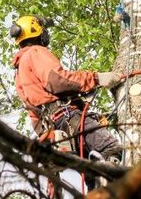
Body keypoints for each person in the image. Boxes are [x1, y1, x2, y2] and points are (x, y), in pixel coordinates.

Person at [10, 15, 123, 168]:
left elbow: (34, 116)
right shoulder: (36, 52)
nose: (45, 33)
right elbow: (58, 81)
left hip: (57, 130)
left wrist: (47, 135)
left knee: (91, 173)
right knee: (111, 148)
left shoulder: (19, 71)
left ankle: (99, 189)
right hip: (68, 119)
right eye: (43, 30)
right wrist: (96, 78)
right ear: (35, 30)